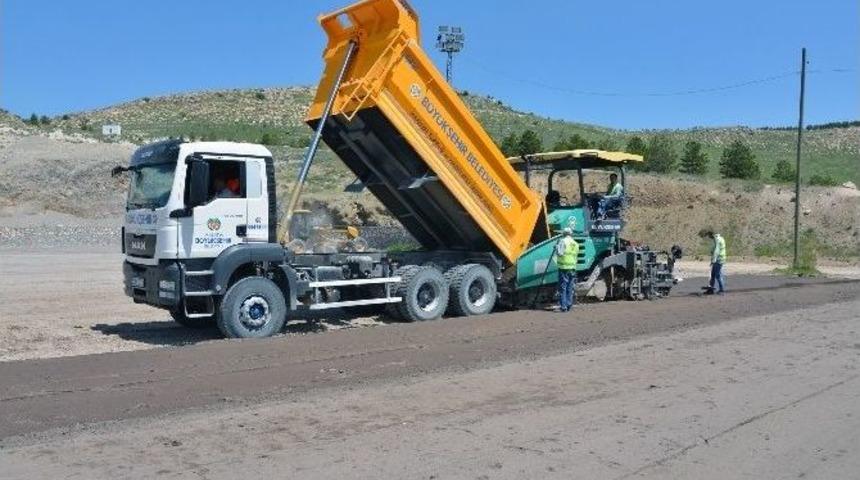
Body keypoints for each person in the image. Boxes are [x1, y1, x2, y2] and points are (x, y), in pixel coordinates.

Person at [556, 226, 579, 312]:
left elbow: (560, 253)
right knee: (570, 287)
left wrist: (556, 248)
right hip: (572, 268)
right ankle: (569, 304)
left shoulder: (563, 241)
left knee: (563, 287)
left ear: (564, 234)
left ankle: (563, 307)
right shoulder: (575, 243)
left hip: (564, 268)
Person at [702, 229, 727, 295]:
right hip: (719, 259)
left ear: (711, 235)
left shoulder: (717, 240)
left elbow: (716, 251)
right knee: (713, 275)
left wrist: (713, 261)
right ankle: (711, 290)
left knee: (717, 275)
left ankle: (721, 290)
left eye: (709, 236)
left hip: (719, 259)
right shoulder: (720, 238)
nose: (709, 238)